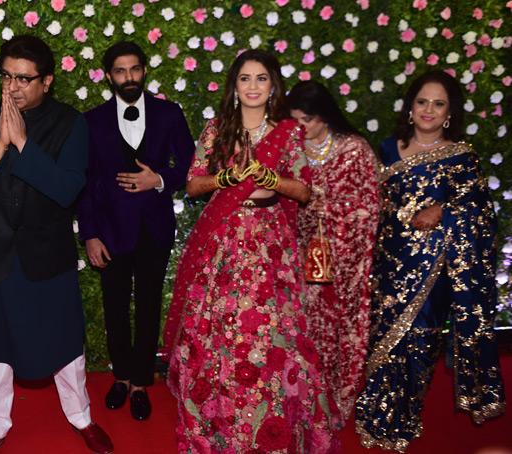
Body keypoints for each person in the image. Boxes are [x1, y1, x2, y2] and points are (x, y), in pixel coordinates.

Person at [162, 50, 338, 454]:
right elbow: (192, 185)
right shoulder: (217, 130)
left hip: (271, 245)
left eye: (261, 78)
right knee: (220, 332)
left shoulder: (287, 133)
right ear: (235, 86)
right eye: (245, 78)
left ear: (272, 85)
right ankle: (219, 421)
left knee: (275, 335)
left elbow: (305, 190)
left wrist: (272, 178)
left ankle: (270, 422)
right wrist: (227, 176)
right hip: (224, 242)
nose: (254, 86)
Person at [0, 35, 113, 454]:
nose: (13, 87)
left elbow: (66, 189)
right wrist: (1, 144)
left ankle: (82, 417)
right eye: (6, 77)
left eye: (24, 79)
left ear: (47, 81)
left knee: (65, 344)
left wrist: (23, 143)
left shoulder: (71, 123)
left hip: (47, 256)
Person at [355, 70, 506, 452]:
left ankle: (404, 419)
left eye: (438, 104)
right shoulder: (388, 149)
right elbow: (372, 205)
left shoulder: (461, 158)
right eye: (422, 102)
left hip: (434, 271)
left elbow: (482, 216)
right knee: (381, 340)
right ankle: (372, 416)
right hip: (388, 264)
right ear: (410, 107)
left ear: (449, 113)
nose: (429, 110)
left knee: (419, 342)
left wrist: (446, 210)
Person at [77, 41, 194, 421]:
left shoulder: (168, 114)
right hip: (109, 231)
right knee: (114, 307)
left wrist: (158, 179)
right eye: (120, 71)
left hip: (154, 228)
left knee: (147, 305)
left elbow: (192, 166)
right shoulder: (92, 120)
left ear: (145, 70)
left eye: (134, 69)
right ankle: (122, 376)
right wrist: (90, 234)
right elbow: (85, 179)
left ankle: (142, 381)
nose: (128, 77)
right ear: (109, 76)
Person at [286, 80, 380, 424]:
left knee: (336, 328)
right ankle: (301, 401)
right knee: (299, 328)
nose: (300, 127)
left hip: (342, 260)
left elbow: (370, 206)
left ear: (324, 116)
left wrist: (323, 205)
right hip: (297, 257)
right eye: (294, 119)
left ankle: (332, 403)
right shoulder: (290, 152)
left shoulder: (354, 150)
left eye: (306, 120)